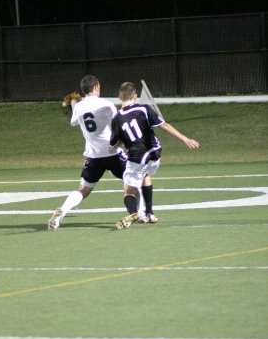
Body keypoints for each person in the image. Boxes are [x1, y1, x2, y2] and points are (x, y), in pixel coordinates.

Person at [110, 81, 200, 230]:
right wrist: (185, 139)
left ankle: (134, 213)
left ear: (119, 96)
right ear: (135, 96)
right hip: (154, 153)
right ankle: (150, 213)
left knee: (129, 191)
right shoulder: (144, 109)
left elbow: (114, 142)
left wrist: (123, 145)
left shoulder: (117, 118)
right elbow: (164, 125)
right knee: (145, 174)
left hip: (137, 157)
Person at [48, 75, 128, 231]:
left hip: (93, 156)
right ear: (97, 86)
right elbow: (119, 124)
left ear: (84, 90)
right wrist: (124, 143)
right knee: (134, 179)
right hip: (113, 152)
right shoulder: (106, 104)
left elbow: (73, 122)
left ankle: (63, 210)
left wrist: (73, 102)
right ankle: (142, 212)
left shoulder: (79, 107)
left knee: (83, 190)